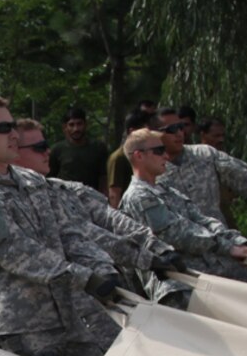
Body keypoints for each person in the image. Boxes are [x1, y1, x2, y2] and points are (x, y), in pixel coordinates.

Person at [0, 92, 122, 356]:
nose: (13, 134)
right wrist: (83, 277)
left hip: (67, 318)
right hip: (19, 328)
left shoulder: (33, 182)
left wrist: (102, 268)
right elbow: (14, 252)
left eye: (13, 126)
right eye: (3, 128)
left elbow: (68, 233)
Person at [10, 118, 181, 301]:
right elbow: (82, 234)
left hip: (91, 295)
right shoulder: (10, 199)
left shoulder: (65, 189)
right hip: (43, 301)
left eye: (47, 145)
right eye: (39, 147)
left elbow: (111, 219)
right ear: (14, 152)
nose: (48, 152)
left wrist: (157, 249)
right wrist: (146, 258)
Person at [119, 128, 247, 283]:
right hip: (180, 284)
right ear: (139, 156)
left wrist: (236, 242)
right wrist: (228, 248)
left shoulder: (166, 189)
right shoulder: (139, 197)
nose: (165, 155)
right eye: (159, 150)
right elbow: (178, 234)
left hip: (208, 273)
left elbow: (202, 219)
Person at [47, 105, 108, 193]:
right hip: (66, 199)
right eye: (71, 125)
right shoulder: (57, 150)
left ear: (85, 125)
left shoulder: (98, 147)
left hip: (93, 198)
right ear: (65, 127)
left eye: (79, 124)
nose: (76, 129)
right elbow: (51, 178)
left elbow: (103, 177)